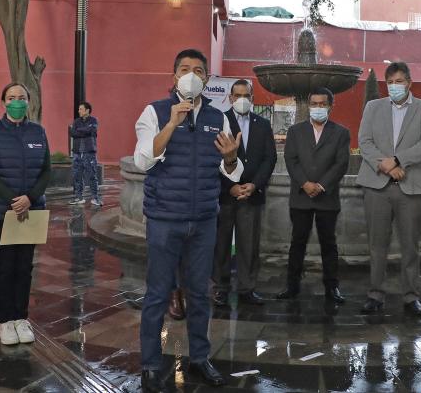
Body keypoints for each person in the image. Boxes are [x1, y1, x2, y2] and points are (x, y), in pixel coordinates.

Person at [134, 49, 243, 391]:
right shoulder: (154, 112)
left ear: (207, 79)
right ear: (174, 76)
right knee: (156, 294)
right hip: (165, 219)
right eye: (185, 69)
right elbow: (142, 161)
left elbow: (233, 172)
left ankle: (200, 357)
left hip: (203, 220)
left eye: (198, 70)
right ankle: (151, 363)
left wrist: (229, 159)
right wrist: (171, 124)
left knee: (199, 293)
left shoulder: (218, 118)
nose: (191, 74)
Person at [357, 62, 421, 316]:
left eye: (400, 81)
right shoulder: (373, 107)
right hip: (377, 185)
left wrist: (399, 160)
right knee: (376, 244)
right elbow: (364, 141)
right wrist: (386, 166)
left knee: (410, 245)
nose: (395, 86)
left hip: (411, 187)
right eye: (390, 82)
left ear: (410, 83)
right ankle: (375, 294)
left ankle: (411, 296)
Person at [0, 82, 51, 345]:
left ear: (28, 101)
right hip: (0, 214)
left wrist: (30, 198)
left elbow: (47, 171)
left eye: (21, 97)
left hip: (32, 212)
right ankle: (6, 321)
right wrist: (14, 200)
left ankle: (22, 318)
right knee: (5, 267)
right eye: (11, 97)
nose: (17, 101)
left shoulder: (38, 132)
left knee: (24, 267)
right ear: (3, 102)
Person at [276, 87, 350, 303]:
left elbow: (341, 163)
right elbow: (291, 160)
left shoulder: (341, 132)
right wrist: (305, 183)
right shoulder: (295, 131)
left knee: (329, 243)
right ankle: (292, 286)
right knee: (297, 242)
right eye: (314, 104)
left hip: (327, 198)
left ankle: (331, 288)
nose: (318, 108)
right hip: (301, 196)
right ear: (309, 106)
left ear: (330, 106)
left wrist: (322, 185)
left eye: (322, 104)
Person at [212, 79, 277, 307]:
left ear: (252, 98)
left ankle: (247, 288)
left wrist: (254, 185)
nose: (241, 99)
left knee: (249, 244)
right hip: (225, 194)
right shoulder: (220, 121)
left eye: (246, 95)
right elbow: (212, 158)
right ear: (230, 98)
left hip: (252, 194)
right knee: (220, 243)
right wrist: (229, 186)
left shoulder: (263, 124)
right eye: (237, 95)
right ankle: (220, 287)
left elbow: (270, 158)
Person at [69, 101, 101, 206]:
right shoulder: (76, 121)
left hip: (89, 153)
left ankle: (95, 198)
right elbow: (72, 133)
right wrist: (85, 130)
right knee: (77, 176)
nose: (79, 111)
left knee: (92, 175)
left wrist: (80, 130)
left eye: (81, 109)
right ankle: (79, 197)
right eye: (79, 109)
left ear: (87, 110)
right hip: (77, 153)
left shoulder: (94, 120)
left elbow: (92, 129)